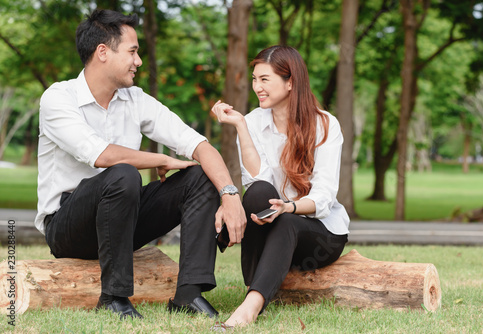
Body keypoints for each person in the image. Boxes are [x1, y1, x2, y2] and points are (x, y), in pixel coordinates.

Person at [35, 9, 246, 320]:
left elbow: (200, 145)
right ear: (103, 52)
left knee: (199, 176)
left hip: (123, 219)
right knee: (121, 173)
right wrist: (162, 158)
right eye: (132, 51)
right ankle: (114, 297)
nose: (139, 61)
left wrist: (230, 195)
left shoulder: (135, 99)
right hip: (68, 227)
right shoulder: (58, 98)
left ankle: (189, 293)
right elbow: (102, 156)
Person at [211, 45, 350, 327]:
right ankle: (255, 286)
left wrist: (290, 207)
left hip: (319, 235)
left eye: (265, 79)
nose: (257, 87)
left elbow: (323, 197)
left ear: (290, 82)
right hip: (272, 228)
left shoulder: (325, 124)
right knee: (259, 191)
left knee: (287, 221)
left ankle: (249, 309)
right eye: (254, 79)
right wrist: (239, 125)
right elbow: (256, 186)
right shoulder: (250, 122)